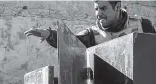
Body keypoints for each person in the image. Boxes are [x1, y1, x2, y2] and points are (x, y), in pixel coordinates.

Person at [24, 1, 156, 48]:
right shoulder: (92, 34)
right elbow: (71, 42)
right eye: (96, 9)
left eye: (103, 8)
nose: (98, 14)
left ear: (117, 7)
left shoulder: (142, 25)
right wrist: (49, 34)